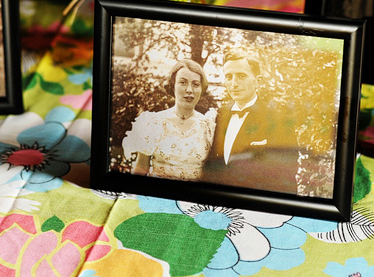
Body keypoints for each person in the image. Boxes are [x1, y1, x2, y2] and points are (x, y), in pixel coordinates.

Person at [203, 50, 297, 193]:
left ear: (257, 81)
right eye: (229, 77)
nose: (234, 83)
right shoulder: (217, 116)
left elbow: (287, 174)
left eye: (241, 76)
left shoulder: (276, 118)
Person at [121, 59, 215, 180]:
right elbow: (141, 169)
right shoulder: (153, 123)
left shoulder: (209, 126)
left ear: (201, 89)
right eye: (183, 82)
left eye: (196, 84)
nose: (189, 90)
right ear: (173, 85)